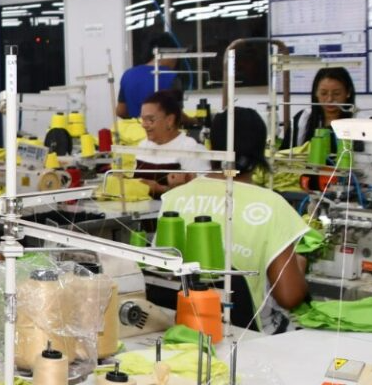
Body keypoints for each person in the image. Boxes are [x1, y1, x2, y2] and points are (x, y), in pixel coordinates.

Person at [160, 108, 309, 329]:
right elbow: (289, 296)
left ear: (211, 146)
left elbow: (164, 273)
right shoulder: (272, 205)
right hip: (248, 334)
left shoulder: (173, 198)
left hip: (183, 324)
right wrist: (300, 265)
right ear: (260, 151)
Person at [134, 90, 204, 197]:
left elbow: (201, 192)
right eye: (143, 120)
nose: (144, 125)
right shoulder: (143, 145)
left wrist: (161, 189)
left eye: (150, 120)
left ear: (170, 120)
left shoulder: (190, 148)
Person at [288, 66, 357, 147]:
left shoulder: (359, 121)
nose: (330, 99)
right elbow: (285, 151)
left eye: (336, 94)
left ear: (348, 92)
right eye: (323, 93)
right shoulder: (303, 118)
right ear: (316, 92)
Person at [117, 34, 182, 119]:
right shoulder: (172, 77)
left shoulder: (128, 74)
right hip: (159, 127)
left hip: (133, 127)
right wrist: (193, 120)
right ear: (171, 55)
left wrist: (138, 119)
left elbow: (121, 111)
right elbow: (176, 115)